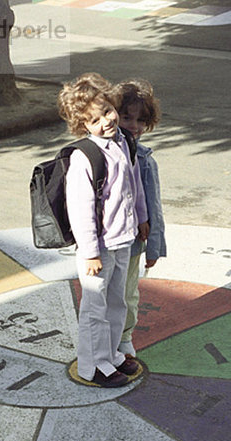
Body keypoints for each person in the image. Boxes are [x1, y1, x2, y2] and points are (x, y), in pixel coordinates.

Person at [57, 72, 150, 388]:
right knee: (95, 307)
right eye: (94, 120)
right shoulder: (85, 155)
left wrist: (141, 217)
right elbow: (80, 209)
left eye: (108, 112)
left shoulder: (124, 142)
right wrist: (90, 252)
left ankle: (110, 356)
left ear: (113, 104)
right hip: (97, 249)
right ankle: (91, 365)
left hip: (123, 239)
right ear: (83, 125)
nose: (106, 122)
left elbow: (134, 185)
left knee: (116, 303)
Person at [115, 79, 167, 359]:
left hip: (133, 242)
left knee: (127, 293)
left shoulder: (145, 159)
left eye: (141, 120)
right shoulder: (101, 153)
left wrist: (154, 246)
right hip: (104, 241)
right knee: (102, 293)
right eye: (126, 117)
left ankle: (124, 337)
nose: (134, 126)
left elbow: (153, 206)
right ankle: (102, 339)